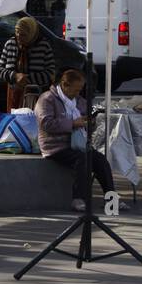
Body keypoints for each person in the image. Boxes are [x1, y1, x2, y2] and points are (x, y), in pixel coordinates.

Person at [36, 68, 121, 213]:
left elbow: (87, 123)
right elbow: (46, 123)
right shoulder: (47, 99)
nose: (77, 93)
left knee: (100, 159)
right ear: (64, 85)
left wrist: (90, 122)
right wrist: (72, 123)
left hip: (78, 143)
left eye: (80, 90)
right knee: (82, 159)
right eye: (75, 90)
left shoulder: (80, 101)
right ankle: (78, 199)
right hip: (55, 145)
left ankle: (111, 199)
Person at [0, 16, 56, 111]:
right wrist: (15, 76)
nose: (19, 36)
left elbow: (51, 73)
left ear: (31, 33)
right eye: (17, 32)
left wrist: (27, 79)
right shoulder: (10, 44)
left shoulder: (43, 46)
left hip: (35, 97)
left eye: (23, 34)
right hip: (13, 95)